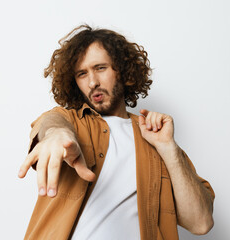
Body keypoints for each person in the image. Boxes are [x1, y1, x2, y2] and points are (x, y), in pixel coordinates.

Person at [18, 25, 215, 240]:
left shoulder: (154, 137)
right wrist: (56, 134)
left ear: (122, 70)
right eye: (82, 74)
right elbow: (51, 123)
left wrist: (168, 148)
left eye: (100, 68)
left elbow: (201, 223)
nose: (92, 82)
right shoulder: (70, 121)